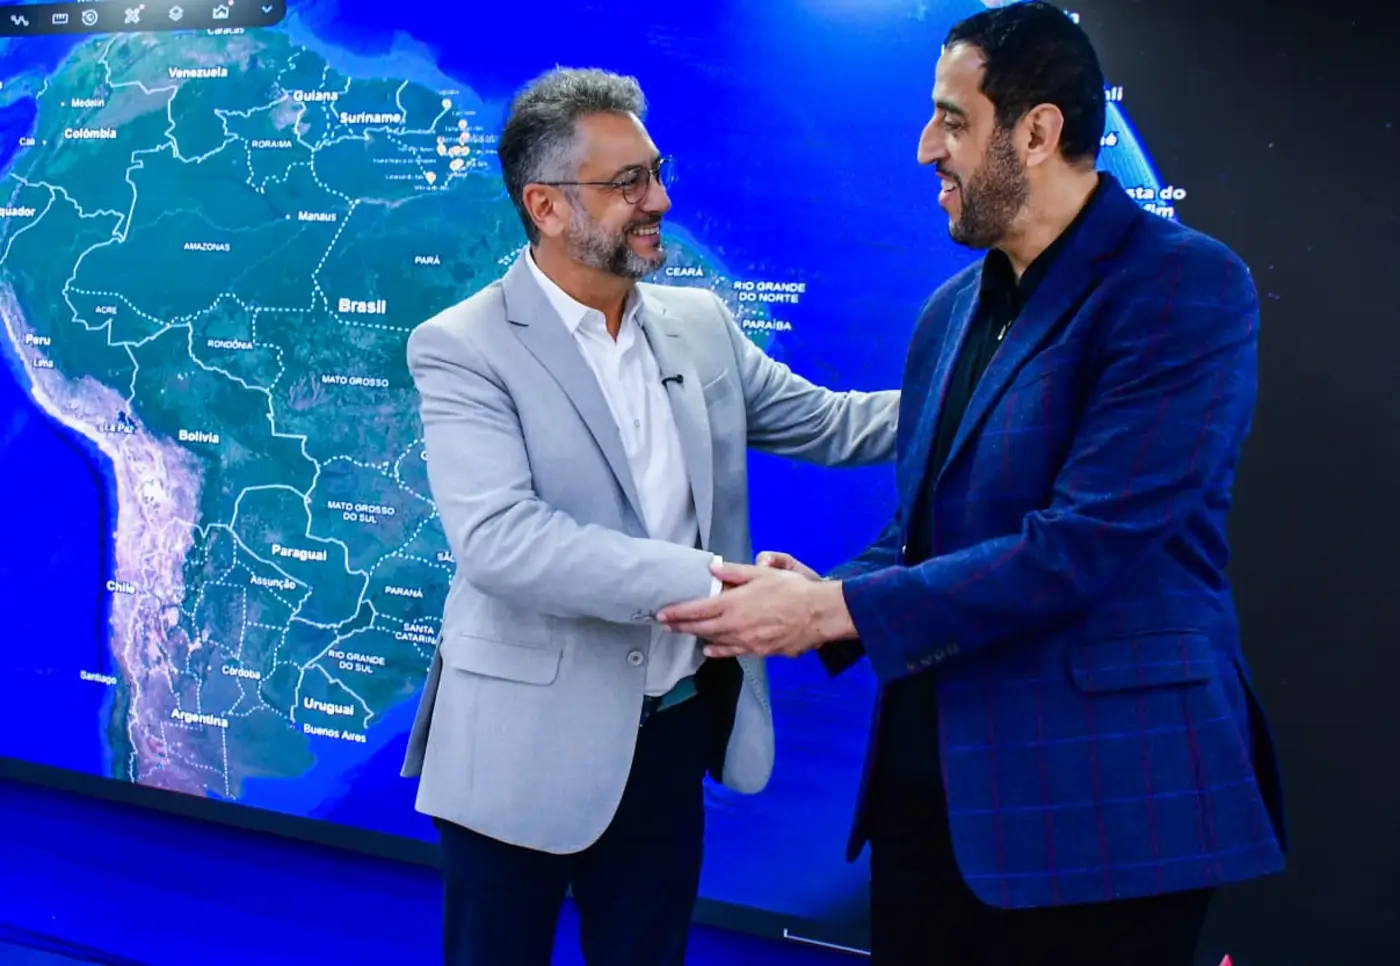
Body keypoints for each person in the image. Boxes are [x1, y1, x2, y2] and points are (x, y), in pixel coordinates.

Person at [658, 3, 1287, 963]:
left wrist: (833, 612)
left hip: (1104, 815)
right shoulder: (950, 311)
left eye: (952, 120)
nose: (926, 148)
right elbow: (922, 527)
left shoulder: (1183, 287)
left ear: (1037, 132)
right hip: (932, 807)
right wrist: (825, 591)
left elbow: (1084, 546)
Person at [400, 66, 899, 966]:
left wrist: (980, 393)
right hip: (517, 744)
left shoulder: (698, 324)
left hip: (669, 732)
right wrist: (719, 589)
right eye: (628, 183)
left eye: (656, 173)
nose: (659, 200)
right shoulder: (462, 347)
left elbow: (830, 423)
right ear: (546, 207)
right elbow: (503, 543)